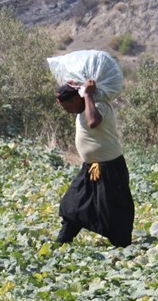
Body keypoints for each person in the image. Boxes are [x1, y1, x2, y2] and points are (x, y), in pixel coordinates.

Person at [55, 79, 134, 247]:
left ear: (77, 100)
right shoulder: (84, 106)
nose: (67, 111)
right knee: (72, 205)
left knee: (114, 212)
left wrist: (89, 94)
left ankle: (123, 246)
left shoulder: (99, 106)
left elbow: (93, 122)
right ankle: (62, 241)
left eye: (67, 106)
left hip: (110, 168)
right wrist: (76, 86)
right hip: (90, 168)